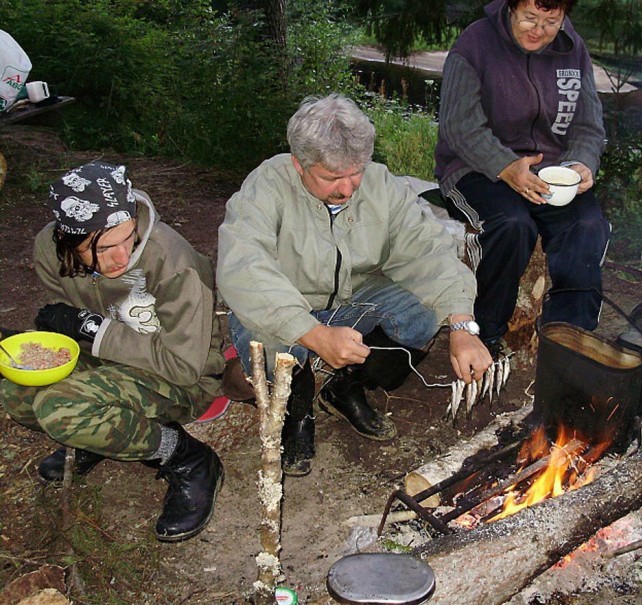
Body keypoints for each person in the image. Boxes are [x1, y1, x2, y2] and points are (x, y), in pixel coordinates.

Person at [217, 94, 492, 477]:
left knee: (428, 311)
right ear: (299, 164)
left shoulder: (381, 186)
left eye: (355, 172)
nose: (347, 189)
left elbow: (427, 252)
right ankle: (298, 413)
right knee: (267, 350)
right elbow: (245, 268)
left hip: (356, 298)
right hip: (283, 304)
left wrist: (462, 325)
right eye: (331, 177)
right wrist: (312, 333)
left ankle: (345, 386)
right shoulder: (267, 185)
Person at [1, 162, 225, 543]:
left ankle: (188, 457)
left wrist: (90, 327)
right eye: (103, 248)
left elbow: (185, 366)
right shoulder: (48, 250)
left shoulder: (173, 262)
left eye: (129, 239)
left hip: (183, 377)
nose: (122, 257)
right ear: (68, 240)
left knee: (60, 408)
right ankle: (100, 436)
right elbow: (68, 320)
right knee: (16, 392)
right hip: (113, 360)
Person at [435, 0, 611, 353]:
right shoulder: (475, 44)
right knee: (513, 225)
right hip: (477, 168)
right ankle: (484, 335)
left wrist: (582, 163)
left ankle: (567, 340)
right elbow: (459, 126)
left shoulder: (572, 49)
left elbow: (589, 128)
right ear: (510, 8)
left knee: (588, 226)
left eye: (551, 21)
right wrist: (506, 166)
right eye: (530, 18)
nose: (539, 30)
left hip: (549, 174)